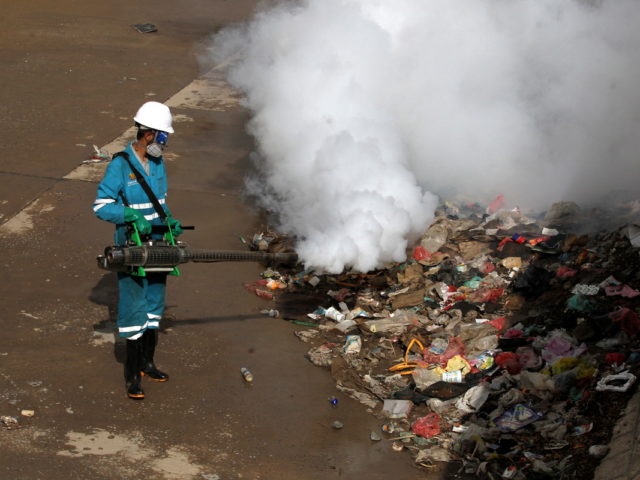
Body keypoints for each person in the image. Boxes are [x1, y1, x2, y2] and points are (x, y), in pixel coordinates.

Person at [92, 101, 183, 400]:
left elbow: (161, 200)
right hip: (130, 246)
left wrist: (169, 219)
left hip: (158, 245)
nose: (164, 143)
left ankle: (148, 363)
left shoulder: (158, 164)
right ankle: (132, 377)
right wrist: (130, 216)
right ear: (148, 135)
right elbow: (102, 206)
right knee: (133, 308)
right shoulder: (119, 165)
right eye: (162, 137)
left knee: (155, 302)